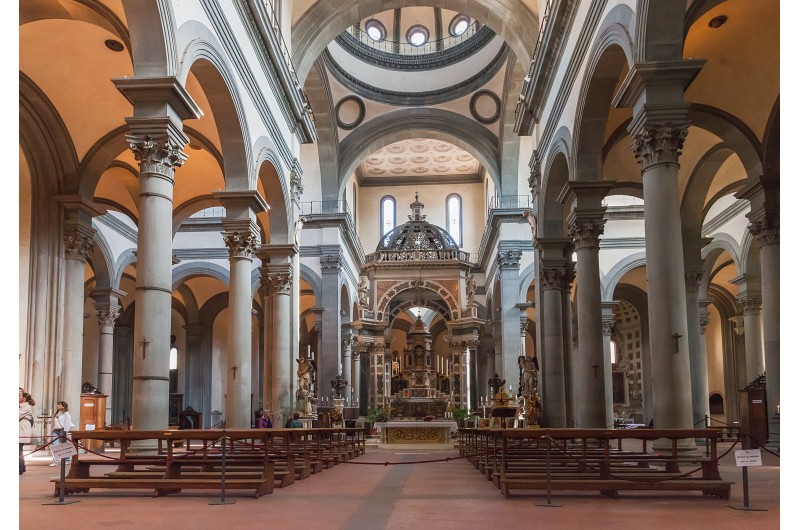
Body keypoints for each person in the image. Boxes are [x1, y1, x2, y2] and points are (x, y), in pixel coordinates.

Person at [49, 401, 72, 466]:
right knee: (55, 446)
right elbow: (53, 423)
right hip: (55, 431)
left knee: (64, 446)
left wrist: (65, 431)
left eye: (59, 405)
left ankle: (68, 459)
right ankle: (55, 461)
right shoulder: (56, 413)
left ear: (63, 406)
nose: (57, 406)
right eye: (57, 405)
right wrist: (50, 432)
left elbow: (67, 423)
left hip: (62, 430)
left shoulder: (66, 414)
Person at [19, 389, 35, 475]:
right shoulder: (21, 406)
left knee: (18, 450)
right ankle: (22, 467)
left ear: (24, 398)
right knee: (19, 450)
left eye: (20, 396)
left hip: (22, 431)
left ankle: (20, 469)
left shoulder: (26, 406)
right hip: (20, 431)